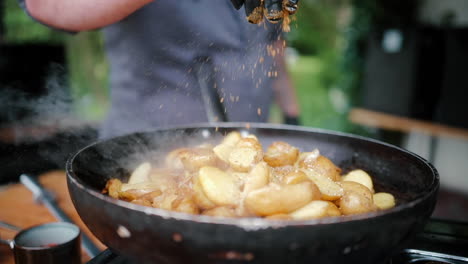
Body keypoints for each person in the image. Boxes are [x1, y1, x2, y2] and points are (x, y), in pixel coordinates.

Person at [21, 0, 301, 139]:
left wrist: (291, 114)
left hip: (250, 140)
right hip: (149, 149)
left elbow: (271, 44)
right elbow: (47, 6)